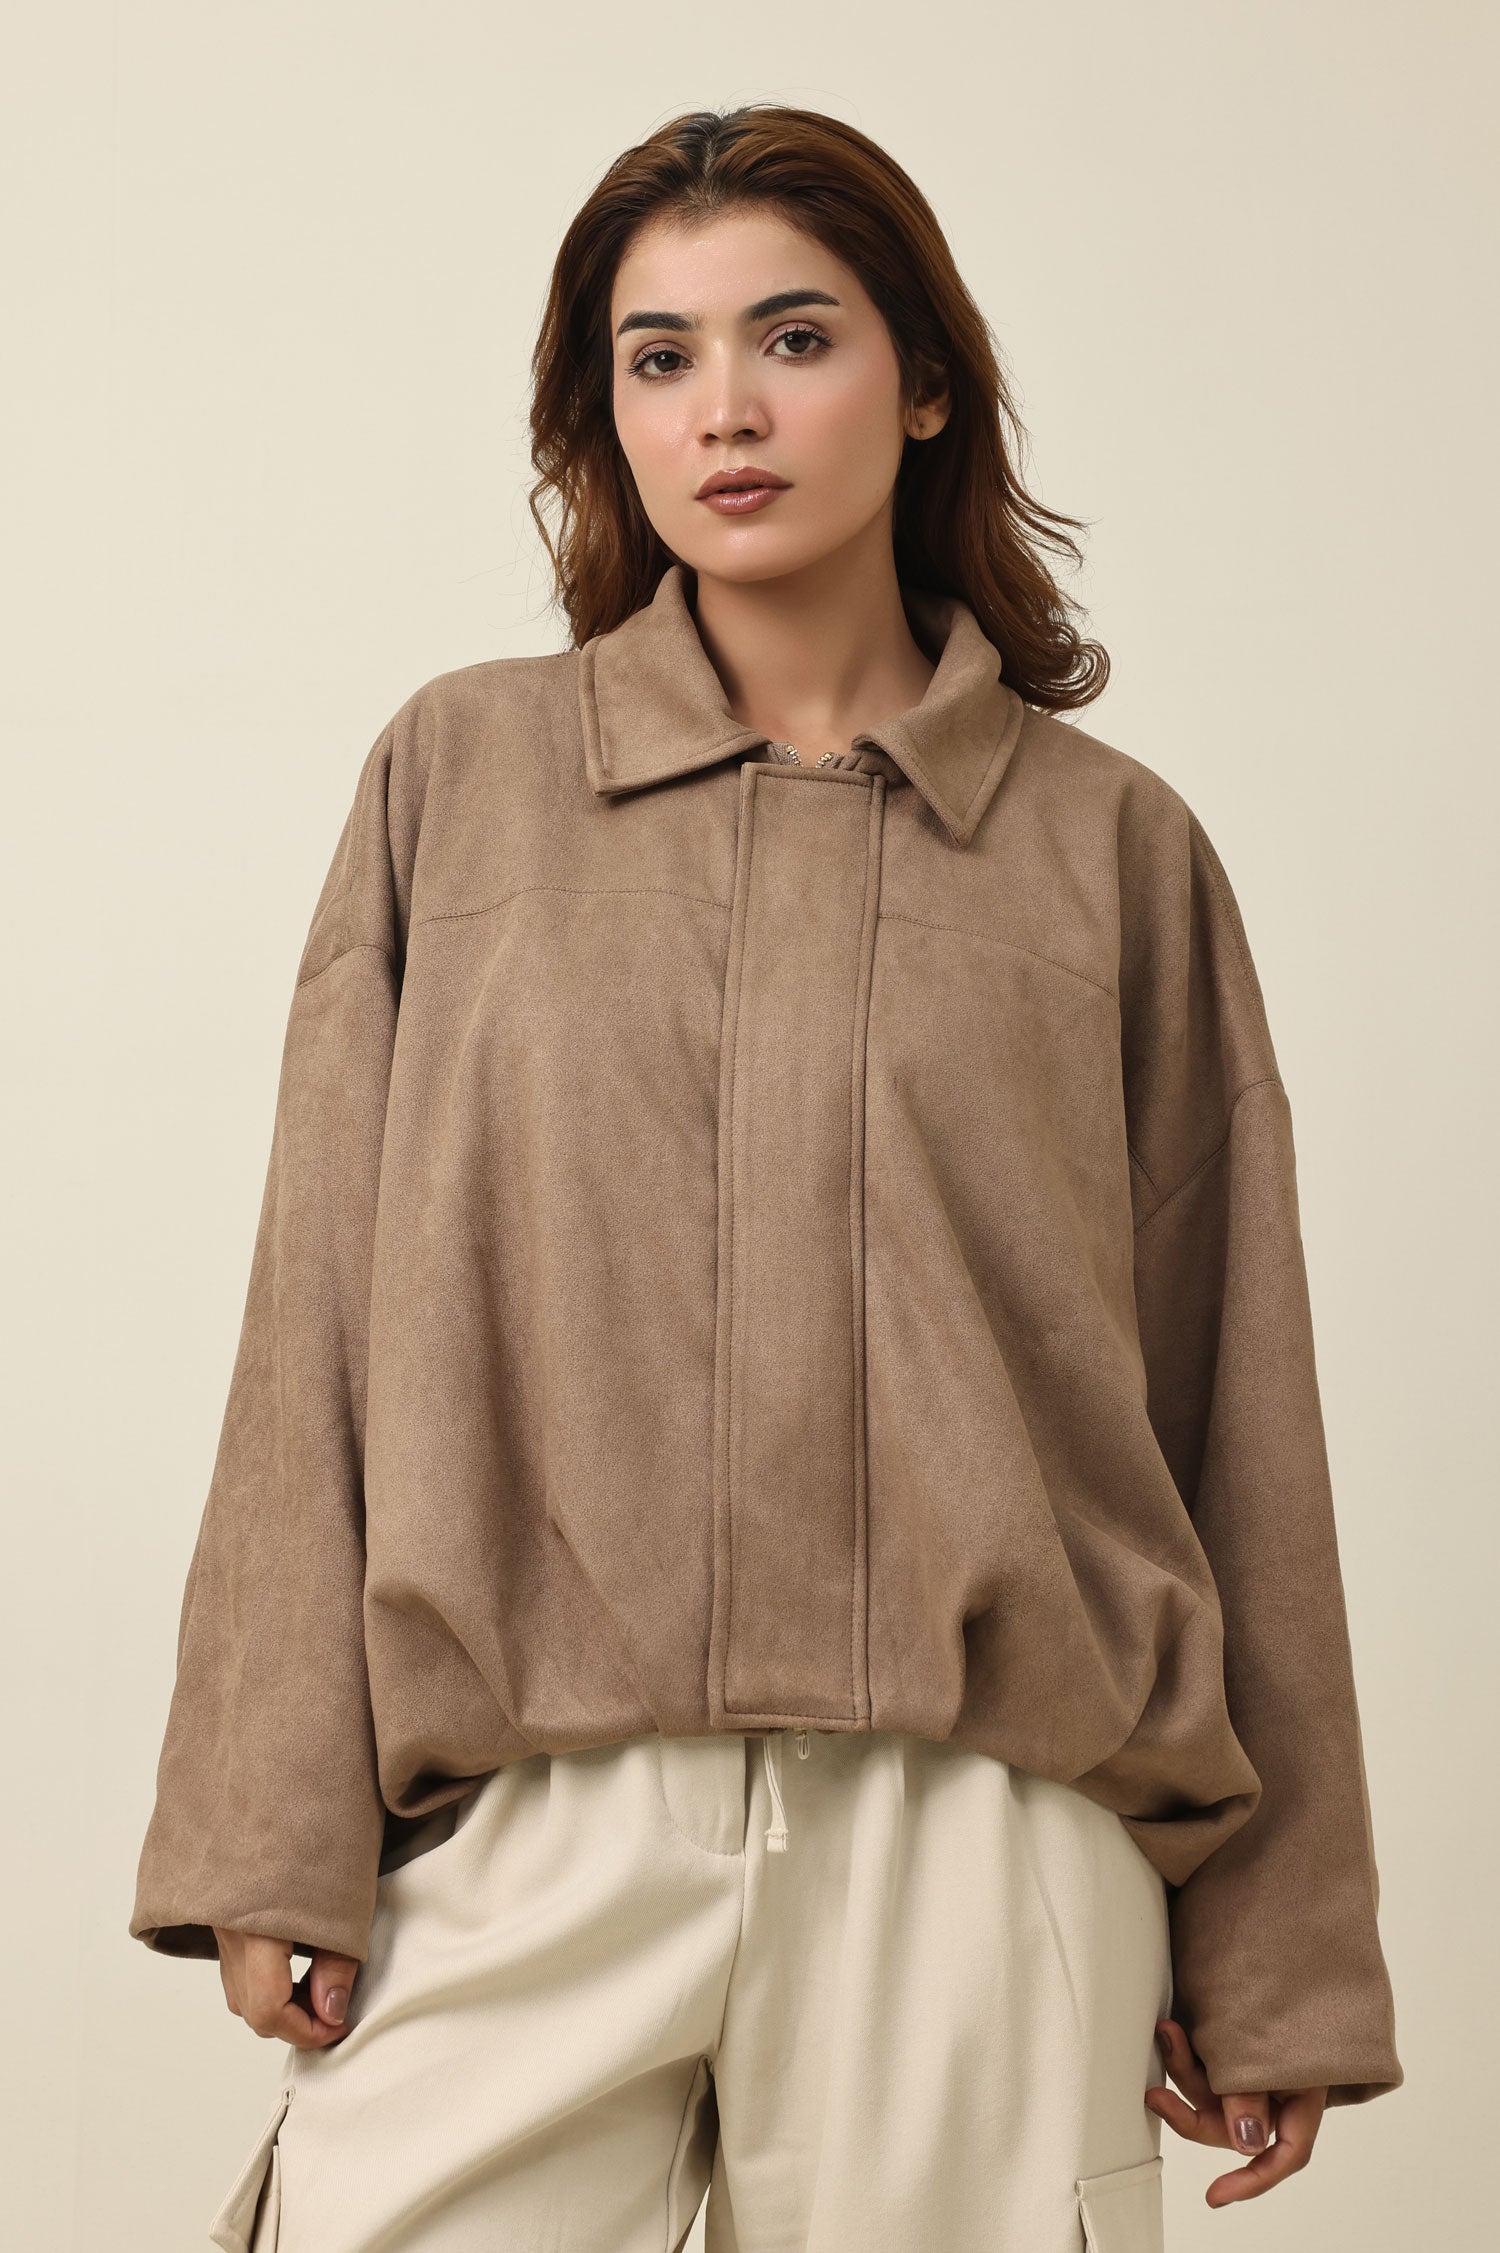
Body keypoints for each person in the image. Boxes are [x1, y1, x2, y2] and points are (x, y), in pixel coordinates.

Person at [130, 103, 1402, 2252]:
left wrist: (1282, 1950)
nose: (723, 406)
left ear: (926, 386)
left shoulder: (1113, 851)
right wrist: (268, 1824)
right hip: (533, 1822)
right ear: (606, 416)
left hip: (981, 1840)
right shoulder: (464, 779)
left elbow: (1232, 1407)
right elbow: (314, 1325)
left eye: (793, 338)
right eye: (659, 356)